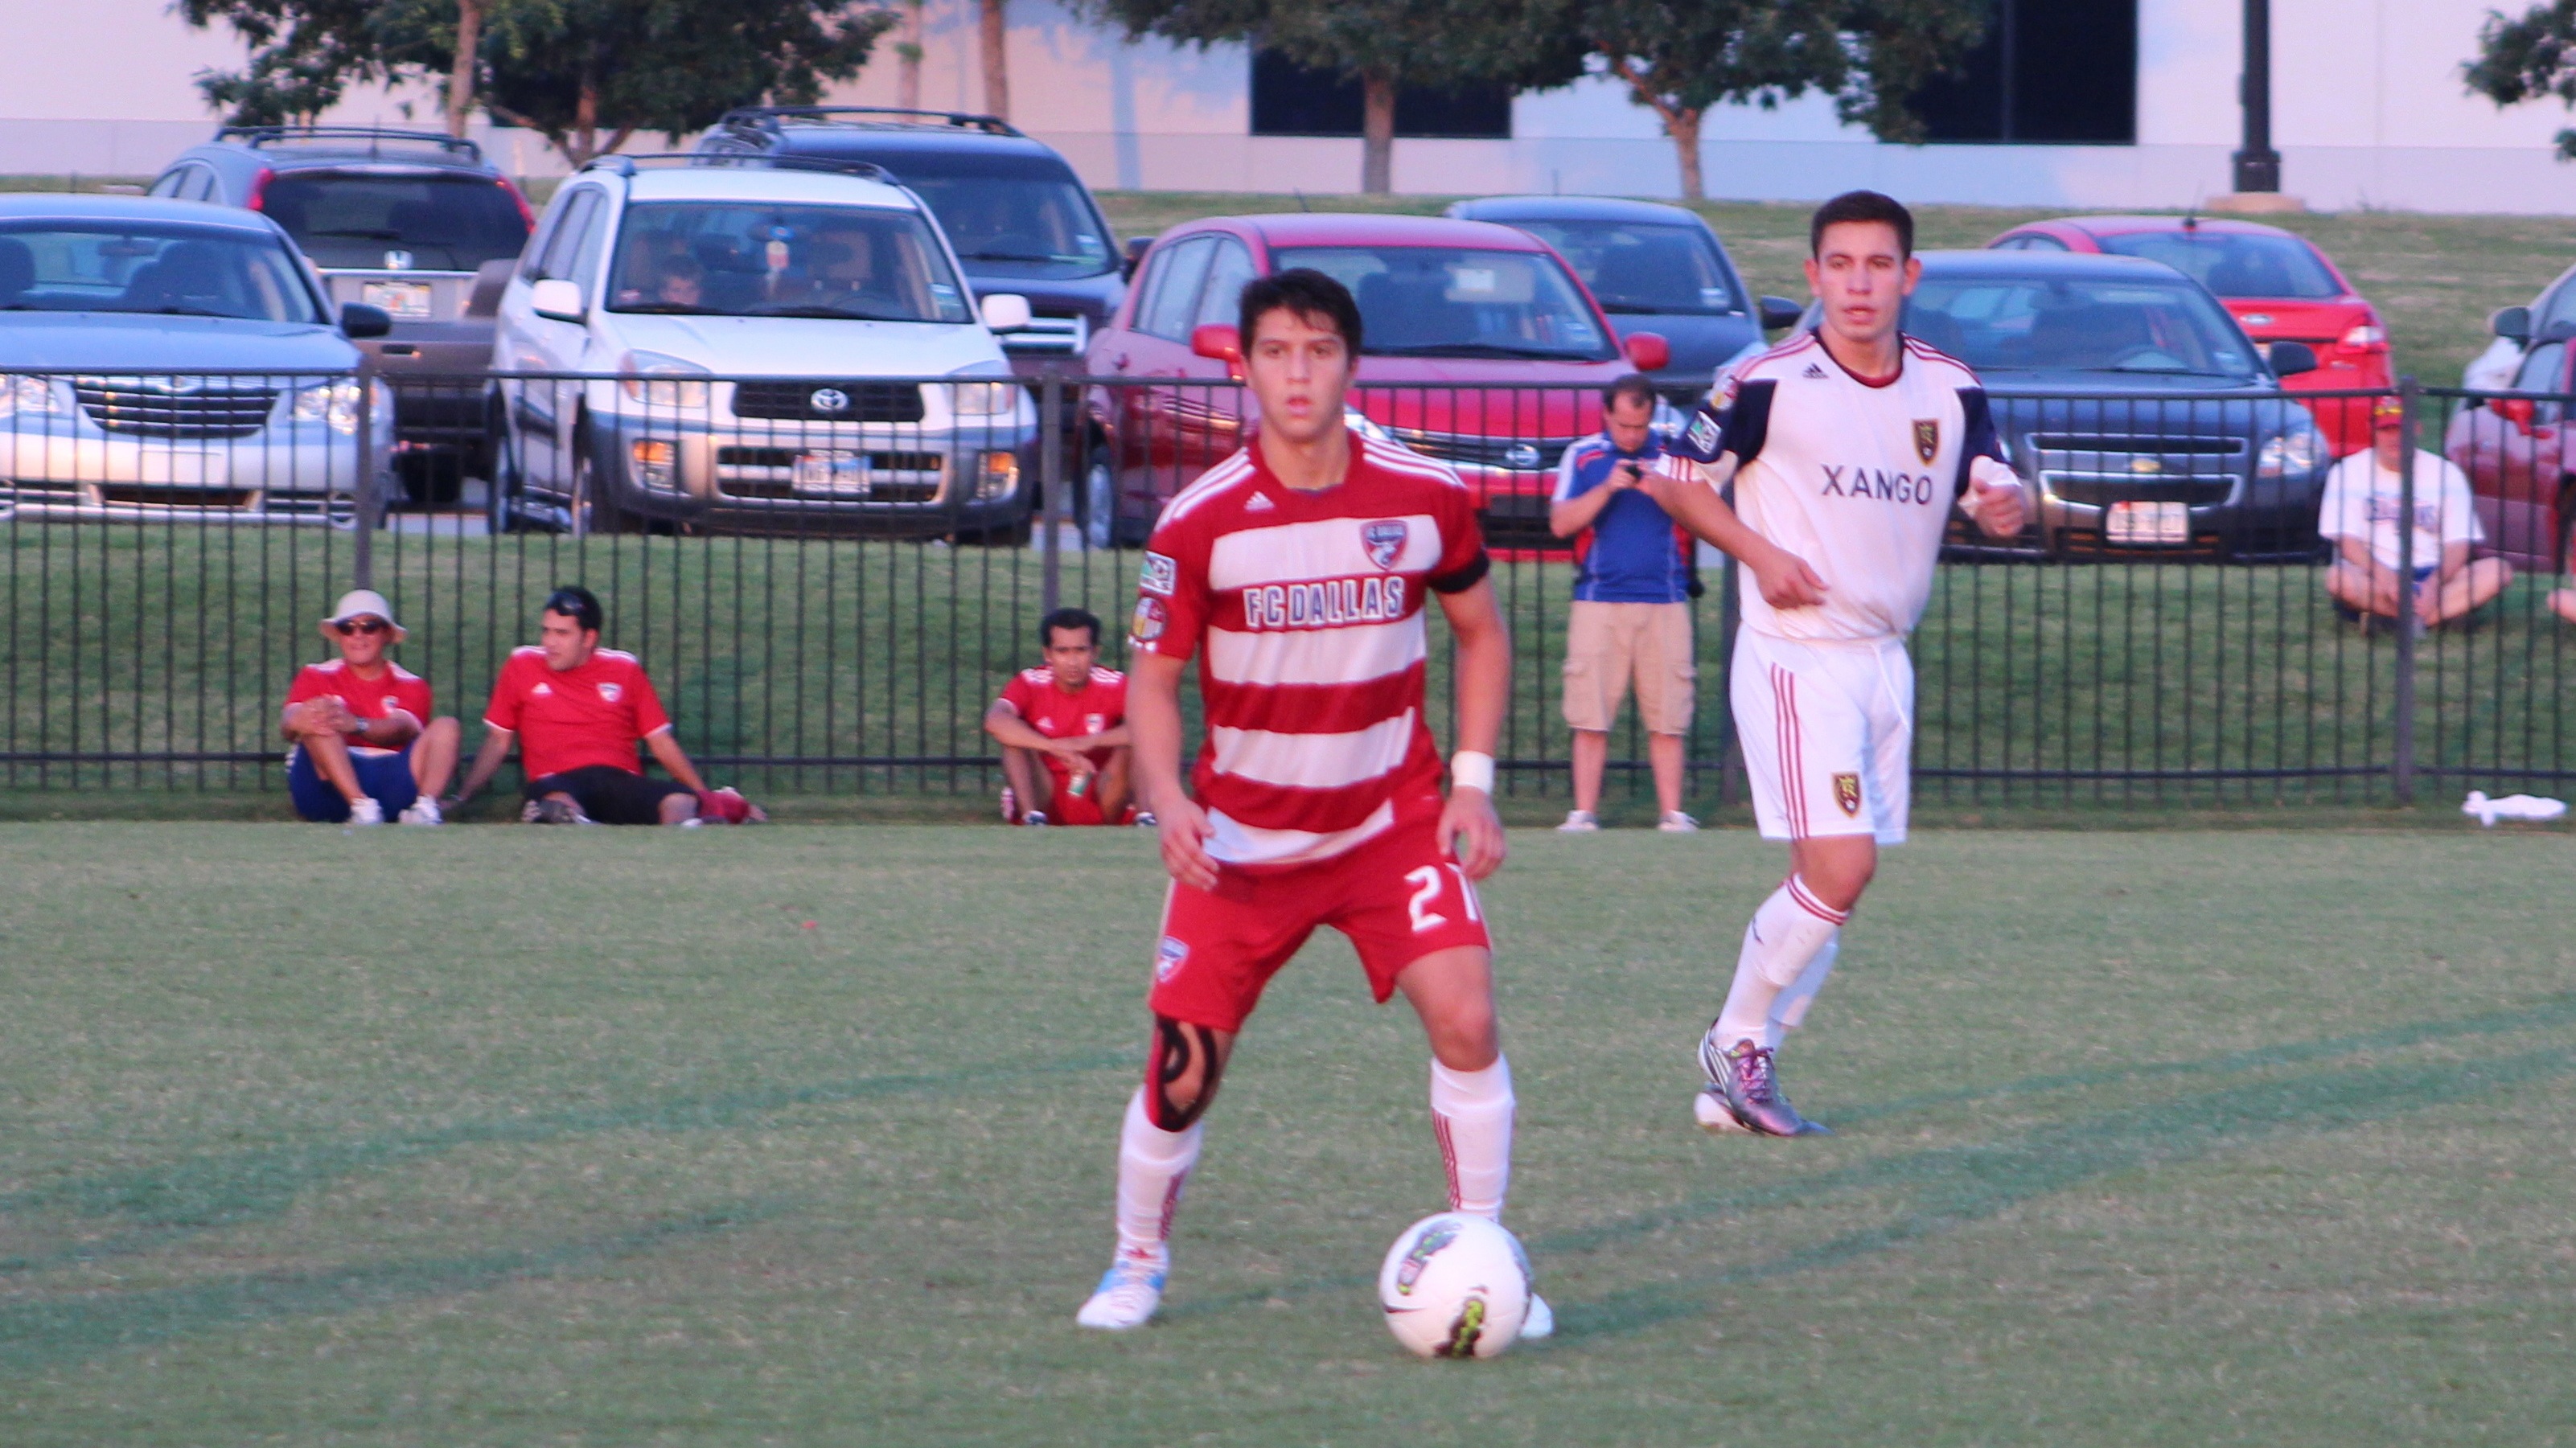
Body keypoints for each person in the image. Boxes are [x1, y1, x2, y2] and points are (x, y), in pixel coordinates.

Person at [1072, 269, 1548, 1340]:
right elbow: (1150, 679)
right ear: (1240, 368)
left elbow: (1481, 631)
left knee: (1467, 1018)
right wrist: (1165, 795)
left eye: (1318, 349)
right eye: (1276, 352)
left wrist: (1468, 786)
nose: (1297, 372)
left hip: (1389, 825)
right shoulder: (1197, 525)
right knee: (1182, 1075)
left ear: (1349, 360)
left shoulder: (1422, 493)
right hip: (1241, 844)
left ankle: (1480, 1254)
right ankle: (1135, 1261)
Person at [1646, 191, 2028, 1137]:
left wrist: (2002, 498)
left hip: (1882, 658)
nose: (1859, 283)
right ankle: (1733, 1040)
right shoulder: (1764, 380)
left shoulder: (1948, 383)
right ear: (1812, 276)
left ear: (1910, 275)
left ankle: (1737, 1083)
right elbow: (1674, 484)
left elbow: (1989, 471)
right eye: (1841, 264)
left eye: (1878, 264)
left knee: (1835, 886)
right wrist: (1760, 554)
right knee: (1840, 868)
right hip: (1794, 657)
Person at [449, 586, 758, 827]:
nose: (550, 643)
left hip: (618, 778)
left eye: (562, 633)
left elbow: (660, 742)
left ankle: (687, 828)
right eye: (546, 631)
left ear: (589, 638)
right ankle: (570, 822)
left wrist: (699, 793)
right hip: (557, 778)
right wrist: (462, 797)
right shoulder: (521, 664)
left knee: (678, 800)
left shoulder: (623, 669)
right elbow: (498, 741)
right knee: (556, 802)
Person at [1550, 372, 1700, 834]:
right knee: (1590, 712)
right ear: (1607, 416)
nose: (1633, 437)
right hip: (1599, 600)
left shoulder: (1674, 452)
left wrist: (1664, 490)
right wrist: (1608, 488)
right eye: (1624, 426)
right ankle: (1584, 812)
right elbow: (1561, 524)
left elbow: (1706, 515)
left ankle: (1672, 814)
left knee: (1669, 715)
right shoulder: (1584, 455)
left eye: (1640, 427)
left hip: (1666, 599)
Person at [2321, 395, 2511, 633]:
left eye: (2401, 429)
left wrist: (2434, 582)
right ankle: (2437, 616)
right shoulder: (2347, 471)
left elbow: (2458, 545)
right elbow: (2348, 542)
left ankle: (2393, 621)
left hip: (2432, 571)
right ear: (2372, 430)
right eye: (2386, 430)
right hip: (2375, 573)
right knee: (2339, 579)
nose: (2395, 438)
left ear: (2417, 429)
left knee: (2498, 571)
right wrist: (2386, 577)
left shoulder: (2446, 472)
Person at [281, 589, 460, 827]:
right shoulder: (315, 674)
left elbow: (403, 728)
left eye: (369, 626)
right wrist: (300, 720)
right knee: (321, 719)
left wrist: (356, 724)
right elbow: (288, 723)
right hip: (326, 783)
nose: (358, 635)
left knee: (448, 726)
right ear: (339, 635)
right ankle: (360, 806)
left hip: (392, 779)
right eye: (348, 627)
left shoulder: (411, 684)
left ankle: (425, 809)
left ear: (386, 633)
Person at [984, 606, 1139, 827]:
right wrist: (1055, 748)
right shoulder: (1031, 682)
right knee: (1013, 741)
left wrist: (1085, 742)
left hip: (1102, 792)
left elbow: (1152, 727)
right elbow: (995, 720)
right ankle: (1032, 819)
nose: (1072, 662)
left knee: (1138, 743)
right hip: (1045, 792)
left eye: (1080, 651)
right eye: (1063, 651)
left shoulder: (1114, 684)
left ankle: (1147, 817)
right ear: (1048, 654)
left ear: (1095, 652)